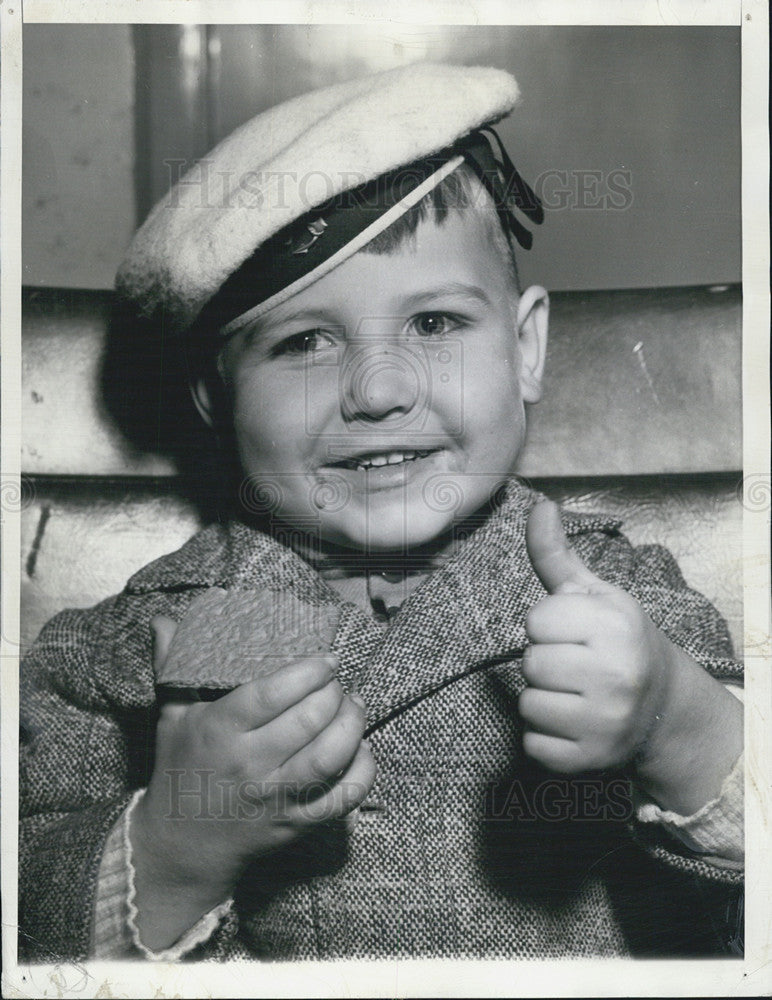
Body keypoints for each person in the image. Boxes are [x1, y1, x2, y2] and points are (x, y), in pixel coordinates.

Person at [19, 62, 743, 963]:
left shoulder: (621, 600)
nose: (380, 388)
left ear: (524, 350)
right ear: (215, 397)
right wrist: (173, 849)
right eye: (306, 342)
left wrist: (678, 721)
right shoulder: (137, 642)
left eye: (434, 325)